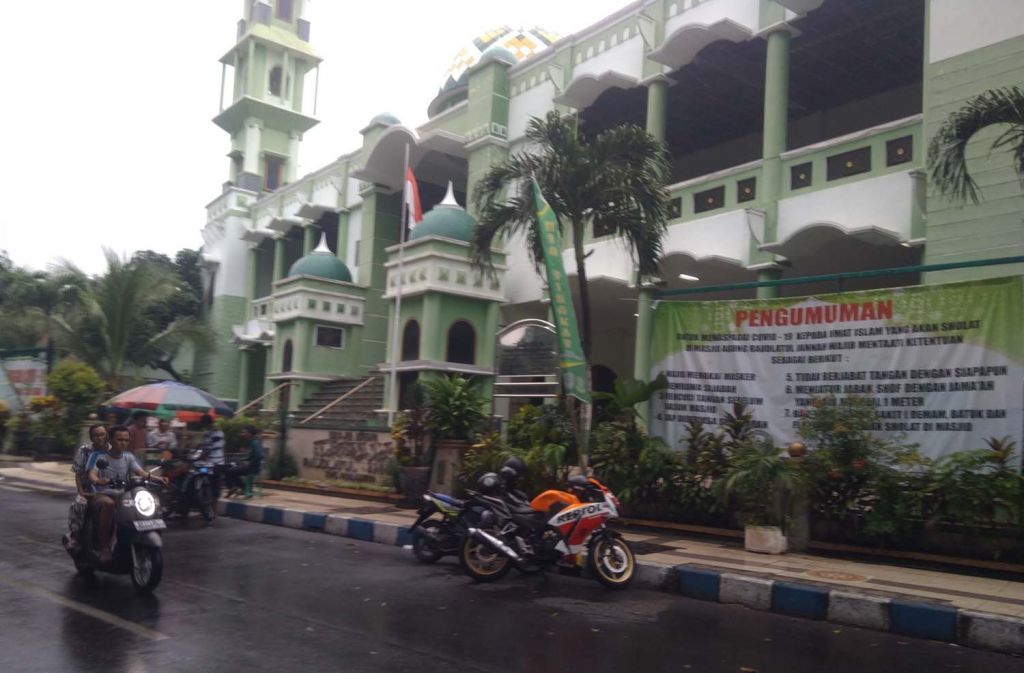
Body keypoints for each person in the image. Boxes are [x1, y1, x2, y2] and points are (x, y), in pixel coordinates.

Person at [85, 425, 167, 561]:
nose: (123, 443)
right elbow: (92, 474)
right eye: (119, 439)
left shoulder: (128, 457)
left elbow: (141, 473)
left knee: (145, 503)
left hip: (122, 494)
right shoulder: (99, 456)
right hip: (101, 494)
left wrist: (158, 478)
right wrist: (99, 481)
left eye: (126, 440)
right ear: (110, 440)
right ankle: (105, 546)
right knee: (109, 504)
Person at [62, 423, 108, 551]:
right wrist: (81, 491)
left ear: (107, 435)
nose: (100, 438)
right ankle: (75, 536)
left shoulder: (111, 449)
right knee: (78, 505)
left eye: (102, 434)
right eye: (96, 435)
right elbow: (78, 473)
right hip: (88, 489)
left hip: (108, 489)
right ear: (91, 437)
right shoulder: (84, 450)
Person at [224, 425, 264, 498]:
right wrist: (245, 460)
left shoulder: (255, 442)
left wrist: (249, 463)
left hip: (252, 468)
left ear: (250, 433)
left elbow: (259, 456)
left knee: (229, 471)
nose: (243, 434)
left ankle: (240, 488)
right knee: (231, 468)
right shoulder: (252, 442)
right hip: (251, 467)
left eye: (244, 432)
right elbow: (253, 456)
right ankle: (241, 487)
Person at [198, 414, 226, 497]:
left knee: (214, 486)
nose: (202, 425)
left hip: (216, 463)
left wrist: (203, 454)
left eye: (203, 423)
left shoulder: (218, 433)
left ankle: (214, 506)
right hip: (208, 463)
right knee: (200, 473)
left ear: (206, 423)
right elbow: (203, 446)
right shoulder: (207, 433)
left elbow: (212, 448)